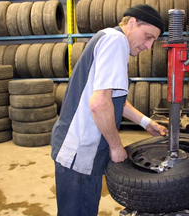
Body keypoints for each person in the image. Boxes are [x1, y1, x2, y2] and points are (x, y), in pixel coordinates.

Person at [50, 4, 168, 216]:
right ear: (132, 23)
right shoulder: (116, 42)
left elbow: (116, 101)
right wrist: (116, 147)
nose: (149, 47)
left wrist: (146, 123)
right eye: (148, 37)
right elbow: (99, 104)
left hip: (78, 148)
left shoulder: (107, 37)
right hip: (81, 152)